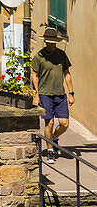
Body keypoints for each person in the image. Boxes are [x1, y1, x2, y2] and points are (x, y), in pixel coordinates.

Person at [32, 26, 74, 161]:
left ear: (56, 41)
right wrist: (37, 94)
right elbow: (35, 75)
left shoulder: (61, 55)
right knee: (49, 124)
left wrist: (71, 93)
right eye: (48, 41)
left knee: (64, 124)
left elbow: (67, 73)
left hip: (60, 94)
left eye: (52, 41)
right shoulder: (39, 56)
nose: (50, 44)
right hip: (45, 94)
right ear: (45, 41)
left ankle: (54, 138)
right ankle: (50, 150)